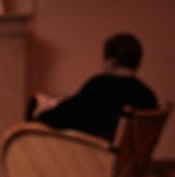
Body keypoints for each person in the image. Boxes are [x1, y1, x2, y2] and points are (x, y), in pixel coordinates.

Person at [28, 33, 158, 141]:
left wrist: (41, 113)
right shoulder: (148, 95)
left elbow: (68, 117)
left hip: (95, 159)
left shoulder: (102, 86)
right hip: (125, 163)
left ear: (111, 62)